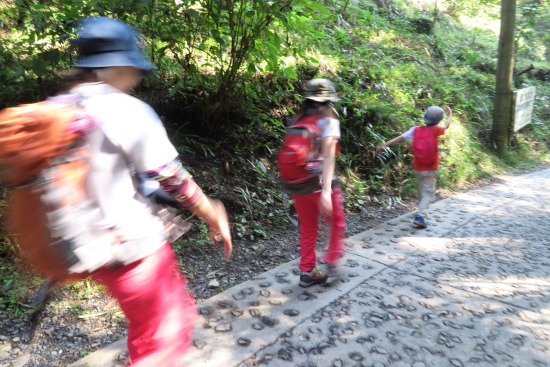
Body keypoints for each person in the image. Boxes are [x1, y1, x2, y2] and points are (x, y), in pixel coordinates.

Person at [66, 16, 232, 366]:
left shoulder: (59, 106)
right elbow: (172, 178)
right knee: (165, 337)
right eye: (135, 65)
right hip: (132, 249)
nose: (140, 75)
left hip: (86, 248)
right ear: (118, 64)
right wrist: (212, 215)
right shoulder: (127, 110)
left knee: (152, 325)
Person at [290, 79, 346, 288]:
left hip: (299, 183)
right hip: (321, 183)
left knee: (308, 228)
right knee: (337, 221)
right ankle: (331, 262)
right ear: (328, 99)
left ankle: (307, 272)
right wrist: (326, 191)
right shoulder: (328, 120)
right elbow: (329, 157)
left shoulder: (296, 119)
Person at [376, 105, 452, 228]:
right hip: (431, 169)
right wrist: (450, 114)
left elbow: (400, 138)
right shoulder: (436, 130)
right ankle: (420, 216)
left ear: (425, 118)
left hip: (417, 167)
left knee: (421, 191)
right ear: (438, 120)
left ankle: (420, 210)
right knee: (429, 193)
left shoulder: (415, 130)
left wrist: (385, 145)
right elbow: (446, 126)